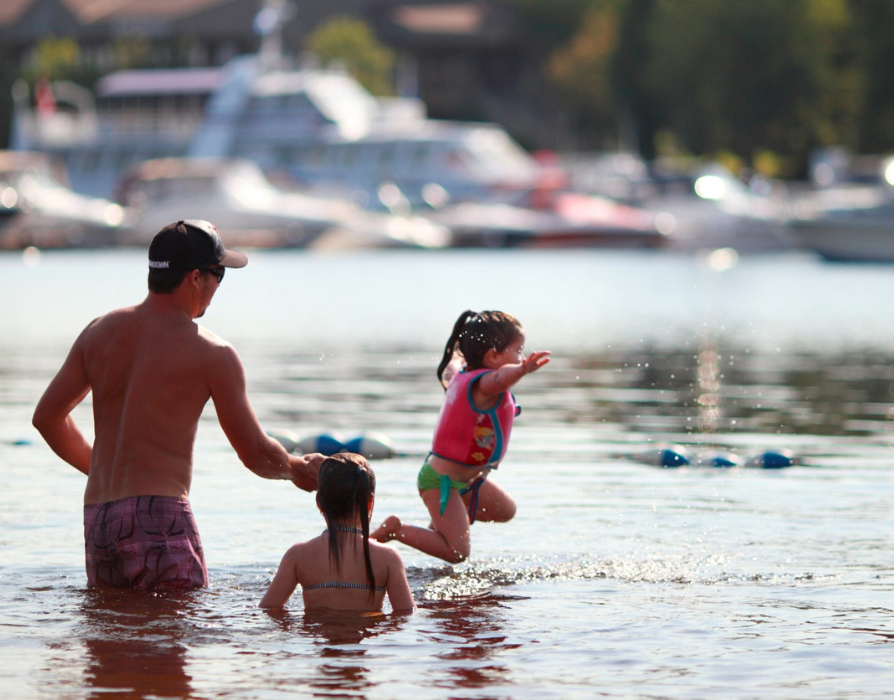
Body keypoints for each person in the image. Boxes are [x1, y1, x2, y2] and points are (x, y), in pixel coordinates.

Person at [31, 219, 325, 590]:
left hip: (99, 518)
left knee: (110, 641)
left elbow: (47, 418)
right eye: (220, 274)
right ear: (195, 278)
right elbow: (253, 451)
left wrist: (103, 469)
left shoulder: (98, 331)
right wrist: (297, 469)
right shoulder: (212, 353)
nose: (218, 287)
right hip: (160, 517)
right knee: (171, 639)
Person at [373, 309, 550, 563]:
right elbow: (500, 378)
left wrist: (462, 345)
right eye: (518, 351)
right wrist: (522, 369)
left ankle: (443, 524)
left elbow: (453, 366)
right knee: (457, 552)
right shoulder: (484, 385)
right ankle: (396, 530)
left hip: (467, 481)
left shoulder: (462, 372)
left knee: (506, 510)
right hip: (439, 481)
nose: (521, 356)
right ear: (493, 356)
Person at [260, 453, 414, 612]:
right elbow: (405, 614)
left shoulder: (297, 555)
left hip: (315, 634)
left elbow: (268, 608)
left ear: (319, 503)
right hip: (367, 633)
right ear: (369, 503)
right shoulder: (388, 558)